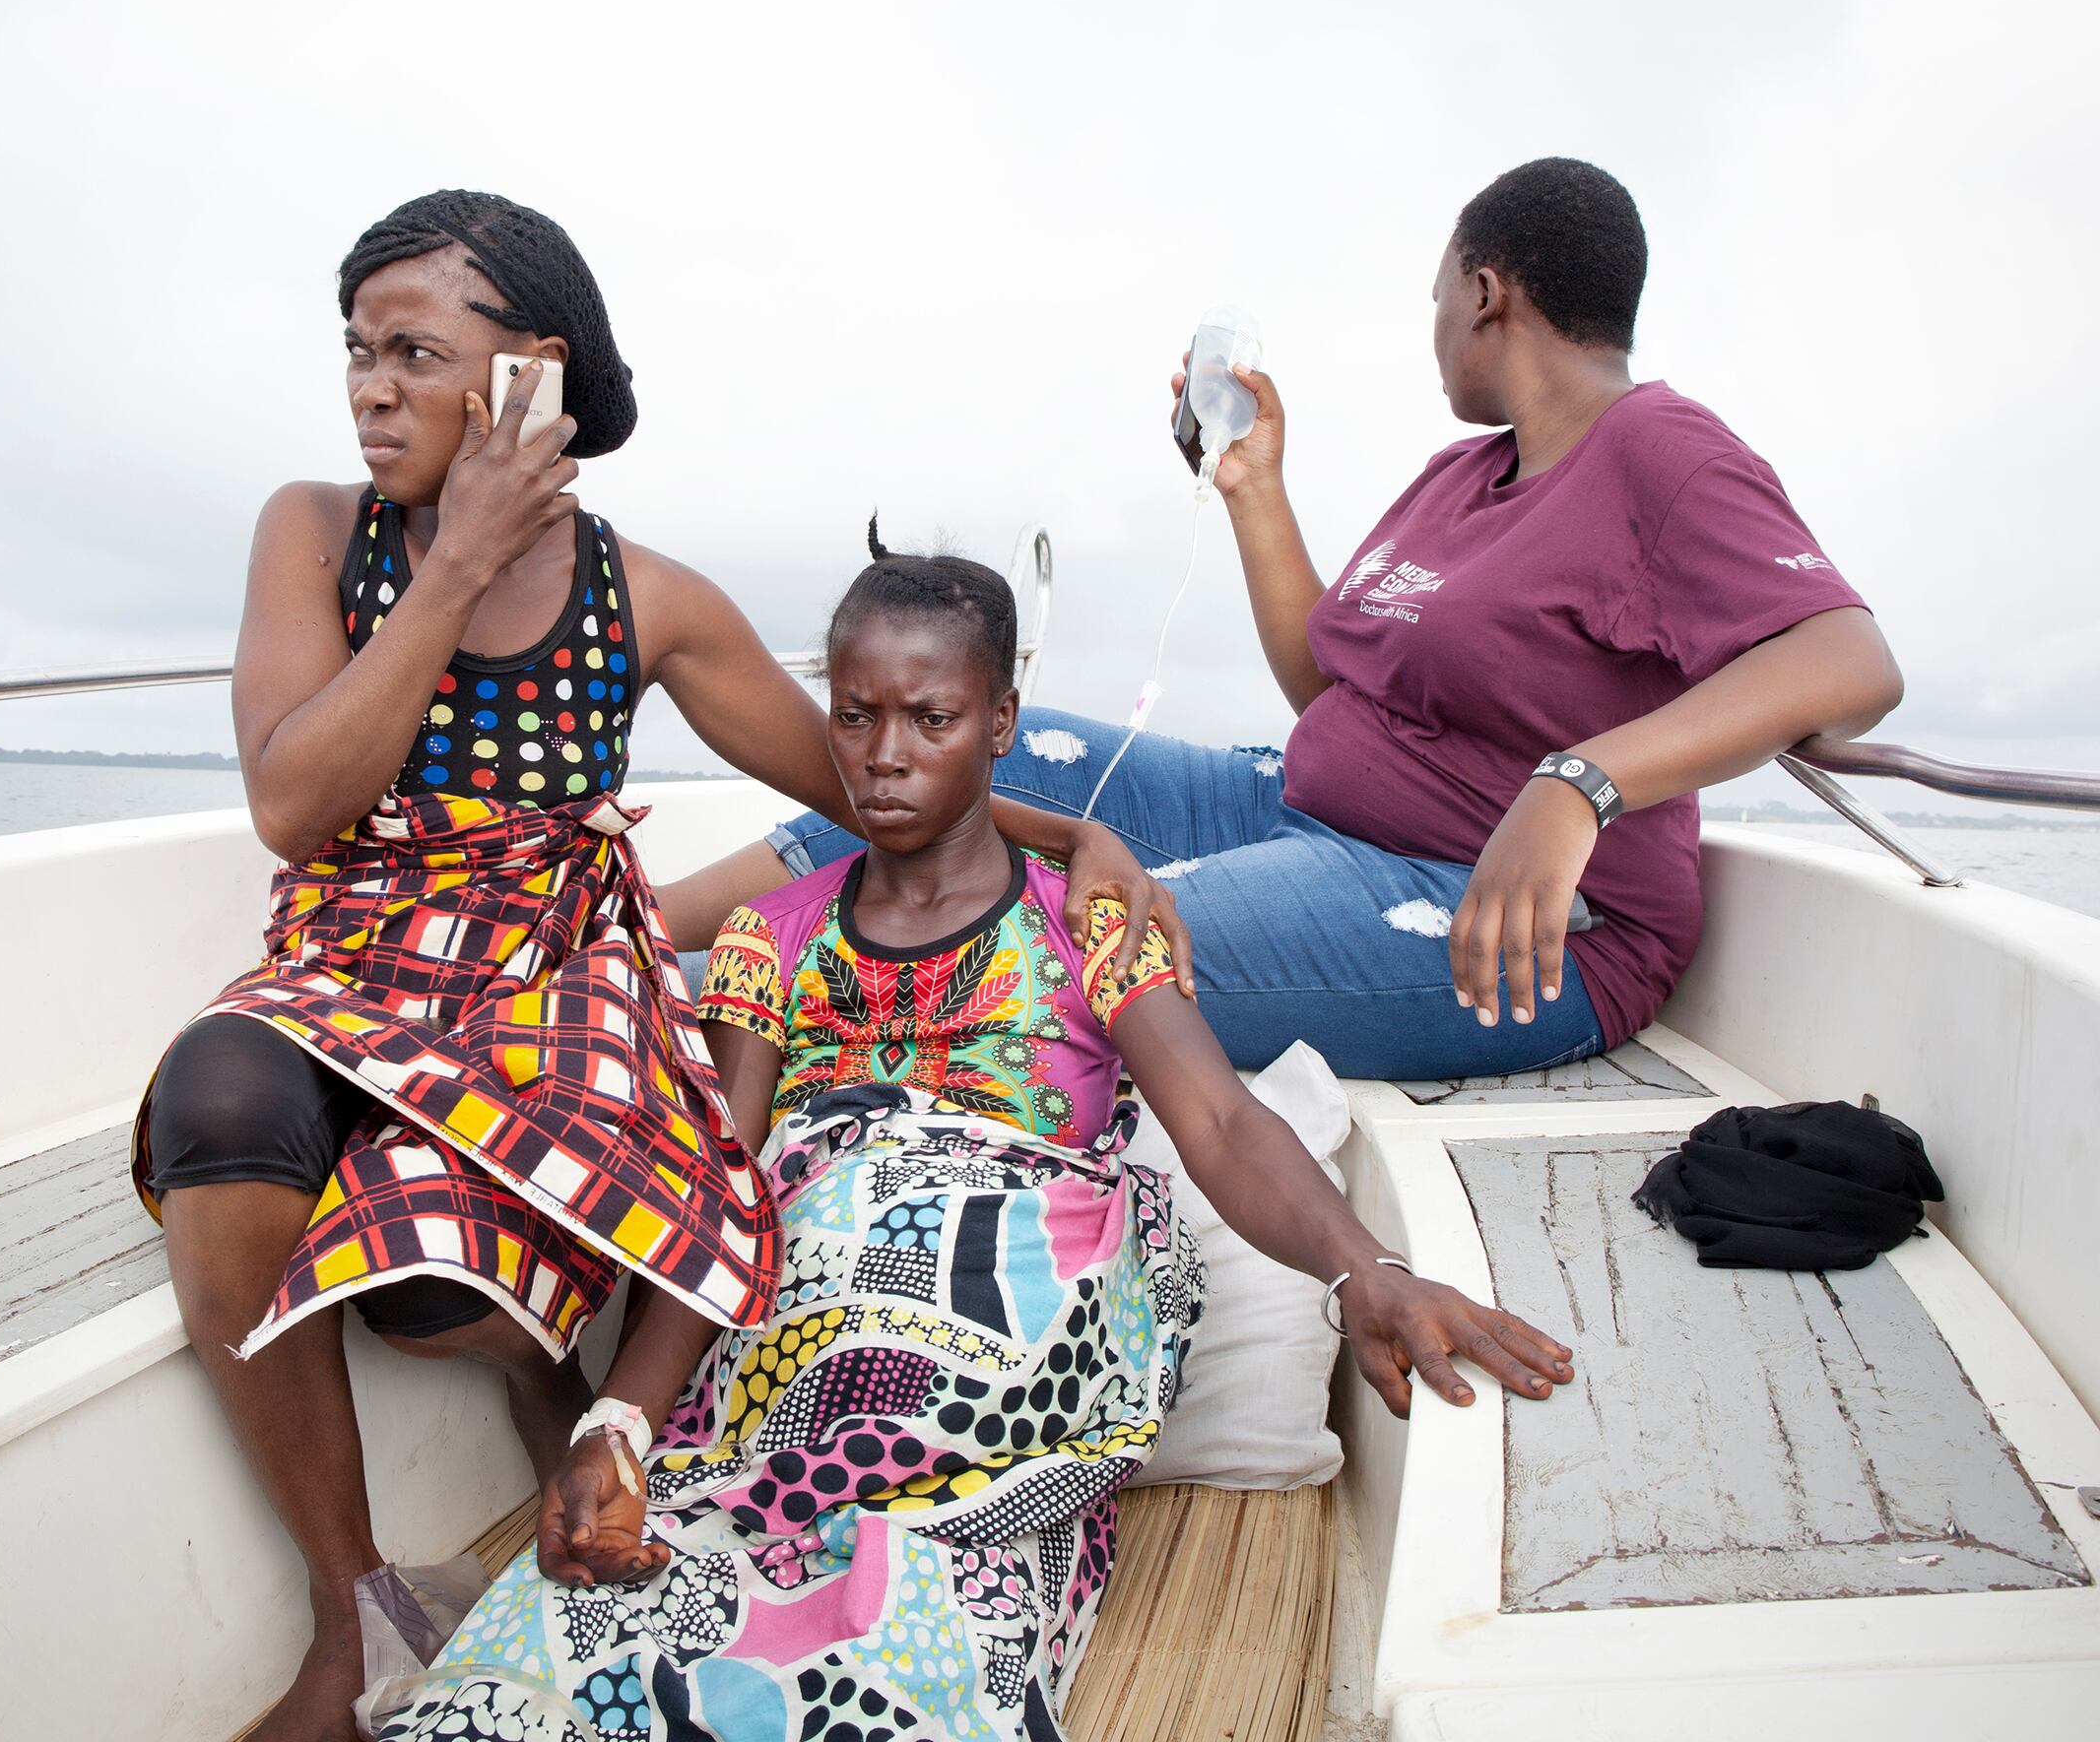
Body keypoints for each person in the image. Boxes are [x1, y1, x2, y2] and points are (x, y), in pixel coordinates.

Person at [132, 192, 1177, 1742]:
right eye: (356, 351)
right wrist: (456, 558)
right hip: (351, 956)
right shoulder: (313, 531)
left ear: (532, 375)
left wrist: (1068, 840)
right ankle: (350, 1610)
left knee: (444, 1298)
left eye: (414, 351)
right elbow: (294, 801)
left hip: (550, 974)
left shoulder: (649, 599)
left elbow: (857, 780)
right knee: (218, 1103)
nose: (369, 386)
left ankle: (551, 1394)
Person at [369, 531, 1571, 1742]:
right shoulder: (767, 938)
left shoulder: (1092, 921)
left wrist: (1368, 1269)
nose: (884, 758)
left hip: (993, 1376)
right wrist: (620, 1426)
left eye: (930, 719)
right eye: (854, 717)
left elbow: (1216, 1120)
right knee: (546, 1659)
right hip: (779, 1372)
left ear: (1000, 723)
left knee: (898, 1650)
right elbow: (726, 1203)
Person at [677, 158, 1905, 1081]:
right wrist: (1252, 483)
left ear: (1486, 293)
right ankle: (630, 926)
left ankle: (679, 1020)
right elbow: (1330, 689)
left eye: (1437, 302)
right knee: (996, 754)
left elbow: (1848, 660)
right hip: (1299, 800)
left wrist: (1578, 784)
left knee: (1079, 940)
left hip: (1511, 910)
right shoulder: (1462, 475)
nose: (1433, 334)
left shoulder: (1658, 450)